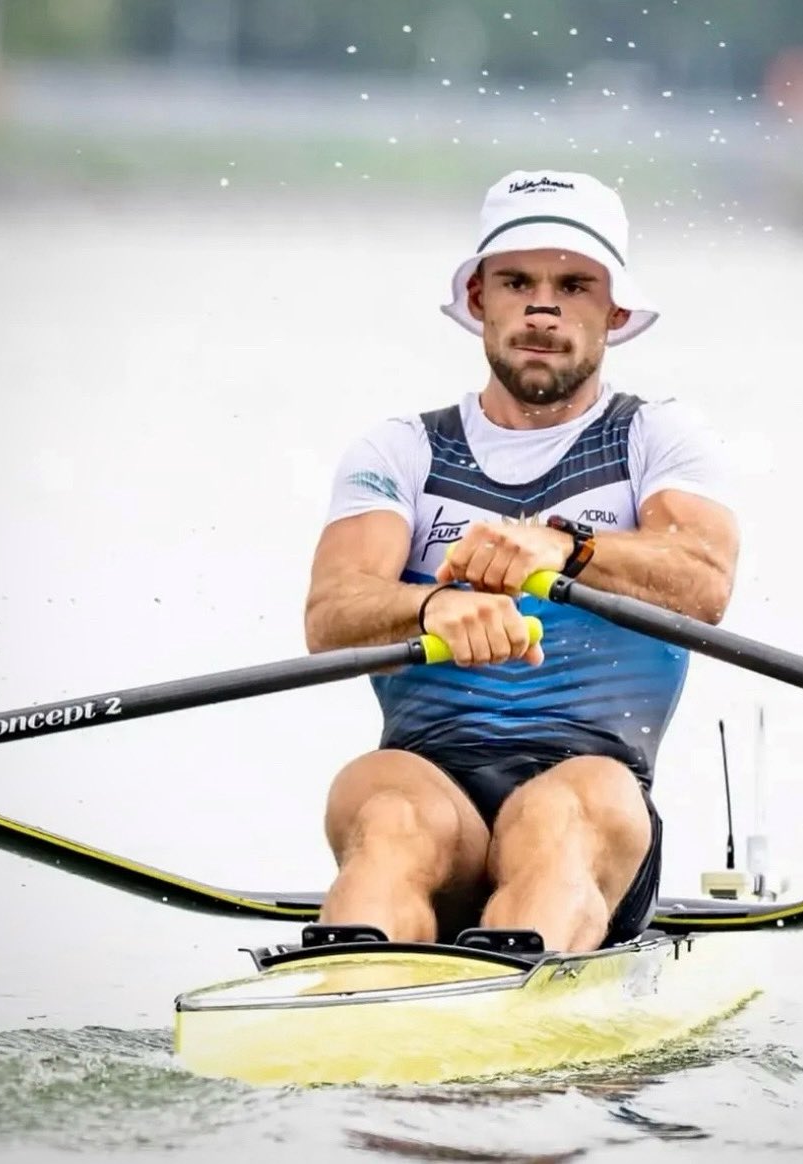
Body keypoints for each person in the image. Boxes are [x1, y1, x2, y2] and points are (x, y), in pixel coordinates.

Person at [304, 170, 739, 953]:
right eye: (516, 282)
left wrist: (568, 547)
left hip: (593, 788)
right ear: (478, 299)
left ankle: (498, 1033)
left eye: (574, 285)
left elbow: (704, 583)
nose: (543, 307)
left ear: (615, 311)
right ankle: (349, 1002)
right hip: (429, 782)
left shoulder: (659, 440)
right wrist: (430, 606)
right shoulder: (400, 449)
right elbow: (332, 612)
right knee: (386, 812)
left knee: (564, 815)